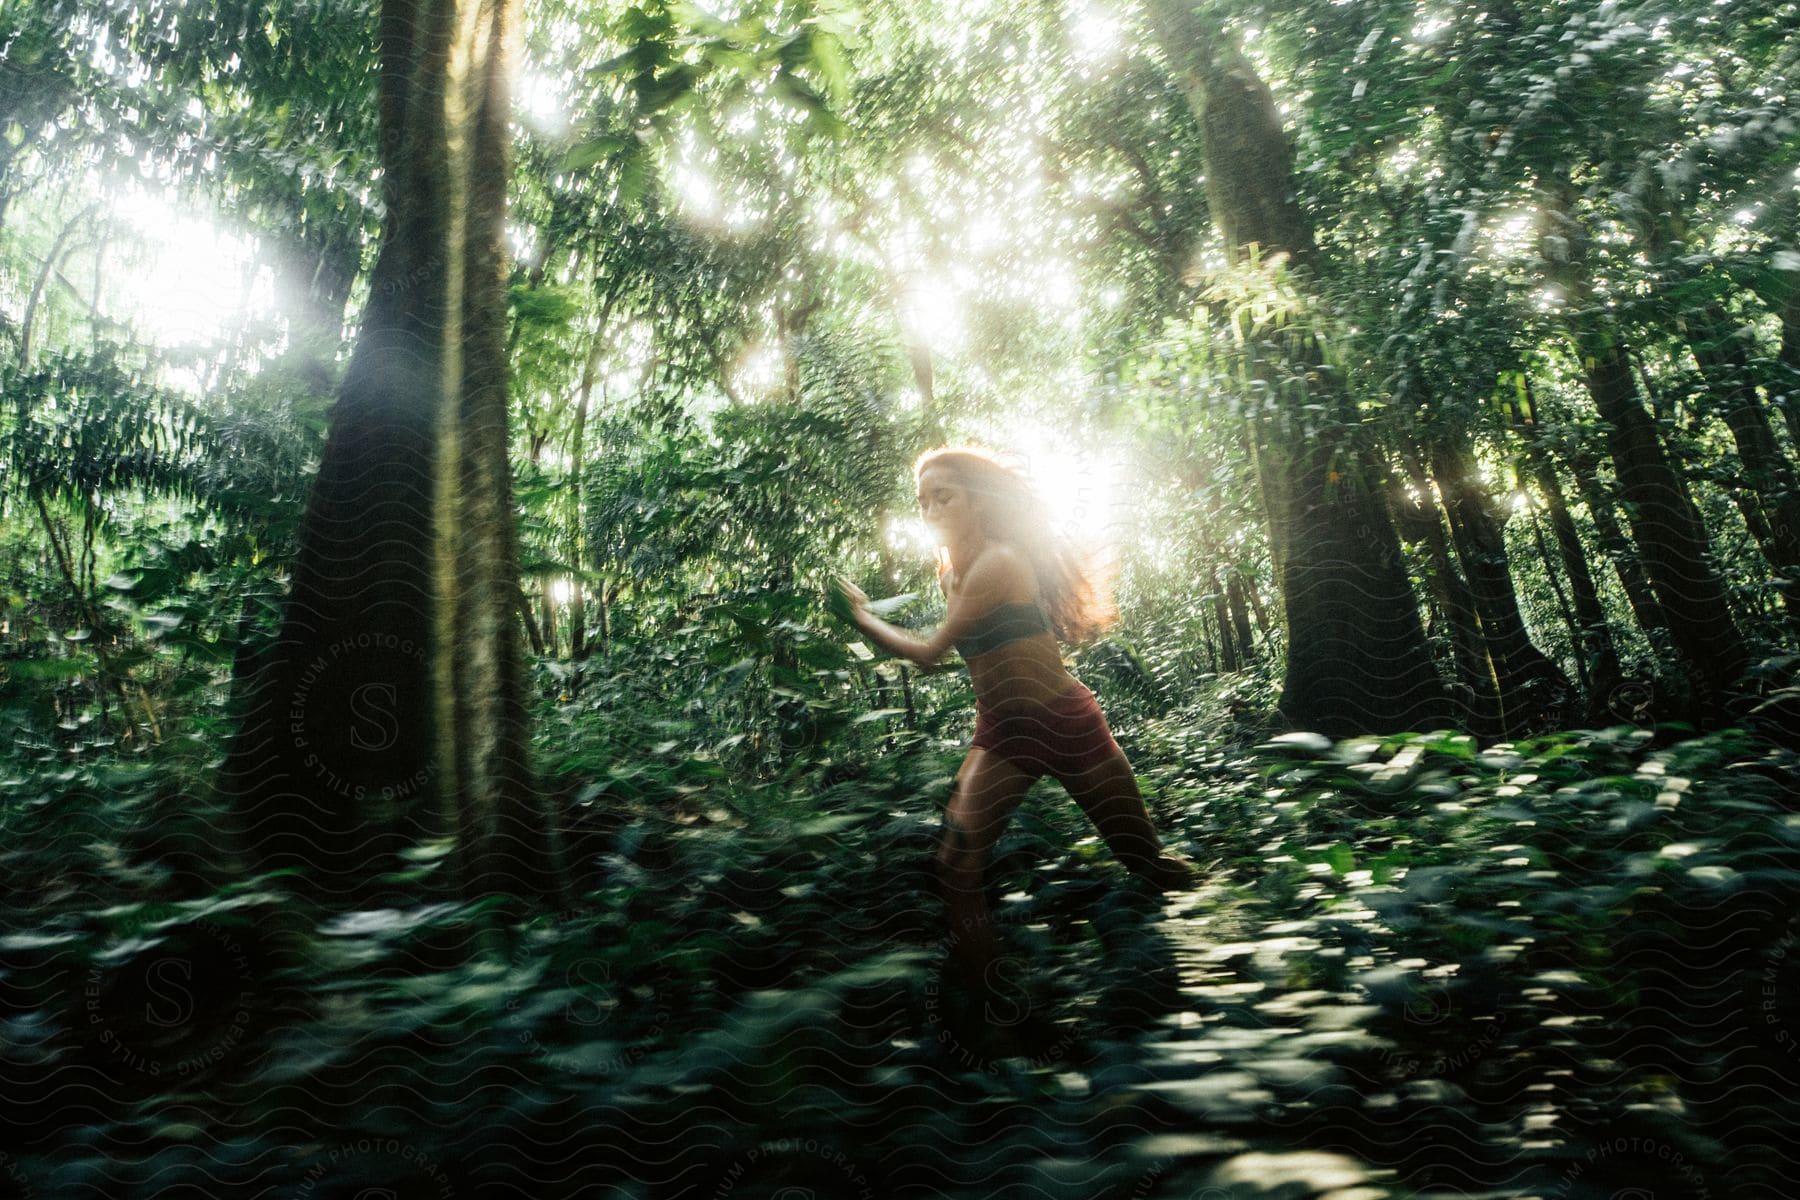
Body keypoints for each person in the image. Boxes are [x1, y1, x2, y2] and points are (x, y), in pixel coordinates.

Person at [836, 446, 1199, 996]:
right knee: (955, 867)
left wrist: (861, 617)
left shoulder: (998, 562)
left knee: (1144, 859)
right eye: (922, 500)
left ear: (977, 501)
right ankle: (986, 1005)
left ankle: (1214, 917)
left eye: (944, 495)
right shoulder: (949, 573)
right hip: (1004, 733)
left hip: (1065, 721)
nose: (931, 507)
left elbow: (931, 653)